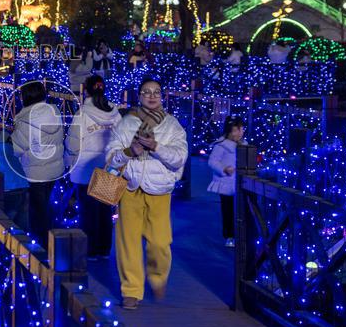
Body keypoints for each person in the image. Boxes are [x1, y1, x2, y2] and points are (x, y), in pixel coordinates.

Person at [105, 79, 188, 309]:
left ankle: (158, 276)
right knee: (127, 242)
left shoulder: (172, 126)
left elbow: (180, 157)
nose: (152, 96)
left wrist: (156, 147)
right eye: (146, 92)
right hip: (130, 188)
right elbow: (110, 156)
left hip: (159, 190)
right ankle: (131, 290)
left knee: (160, 243)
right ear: (139, 96)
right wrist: (130, 151)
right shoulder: (126, 124)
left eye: (156, 92)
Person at [66, 75, 123, 259]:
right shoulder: (115, 113)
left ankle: (90, 250)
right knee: (105, 210)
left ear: (87, 91)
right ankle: (104, 249)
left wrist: (69, 162)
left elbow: (73, 143)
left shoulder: (82, 114)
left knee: (88, 212)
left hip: (85, 169)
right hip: (109, 165)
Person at [11, 81, 65, 243]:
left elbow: (16, 148)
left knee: (37, 210)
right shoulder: (54, 112)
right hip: (54, 168)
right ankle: (51, 239)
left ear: (26, 97)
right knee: (46, 206)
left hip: (35, 172)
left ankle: (42, 246)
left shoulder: (26, 120)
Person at [207, 117, 245, 248]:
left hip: (240, 184)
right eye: (235, 130)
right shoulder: (221, 146)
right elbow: (212, 161)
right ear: (228, 131)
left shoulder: (243, 145)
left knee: (240, 210)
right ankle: (229, 235)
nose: (239, 133)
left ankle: (240, 235)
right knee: (228, 210)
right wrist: (224, 169)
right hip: (227, 184)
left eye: (240, 129)